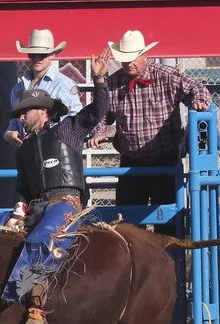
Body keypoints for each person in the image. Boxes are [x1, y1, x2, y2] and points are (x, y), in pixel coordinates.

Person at [0, 49, 110, 324]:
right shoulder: (23, 150)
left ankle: (35, 309)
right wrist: (17, 210)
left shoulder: (69, 130)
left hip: (66, 204)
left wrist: (99, 79)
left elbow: (97, 111)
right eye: (20, 113)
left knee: (44, 238)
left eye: (25, 112)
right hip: (35, 207)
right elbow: (22, 188)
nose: (21, 118)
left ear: (43, 111)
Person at [88, 30, 212, 234]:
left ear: (146, 55)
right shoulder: (113, 83)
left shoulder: (166, 76)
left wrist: (199, 102)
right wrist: (99, 131)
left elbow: (197, 87)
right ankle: (134, 265)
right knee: (128, 226)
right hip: (131, 164)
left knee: (169, 224)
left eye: (133, 58)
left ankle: (173, 263)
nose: (128, 63)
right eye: (124, 59)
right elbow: (101, 113)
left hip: (164, 163)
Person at [5, 29, 82, 149]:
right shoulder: (17, 88)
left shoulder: (64, 84)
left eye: (42, 54)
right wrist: (10, 133)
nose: (37, 58)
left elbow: (75, 120)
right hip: (28, 152)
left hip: (56, 151)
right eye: (32, 54)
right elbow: (15, 122)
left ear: (52, 55)